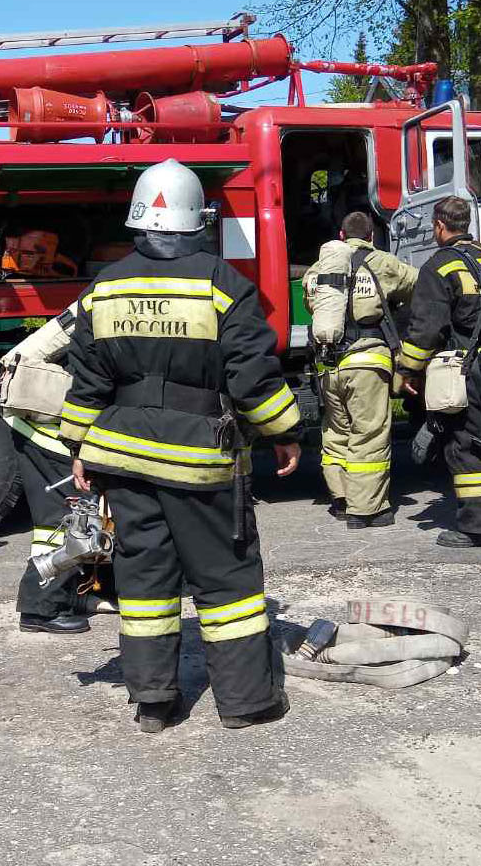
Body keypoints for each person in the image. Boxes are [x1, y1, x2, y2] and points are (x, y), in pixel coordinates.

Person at [60, 159, 303, 734]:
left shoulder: (105, 286)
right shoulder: (224, 285)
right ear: (200, 221)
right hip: (199, 460)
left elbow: (86, 377)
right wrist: (283, 431)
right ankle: (247, 702)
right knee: (227, 582)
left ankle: (153, 702)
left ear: (139, 221)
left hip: (120, 455)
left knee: (143, 582)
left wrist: (78, 446)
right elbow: (252, 375)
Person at [394, 196, 481, 548]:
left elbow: (426, 328)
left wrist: (407, 369)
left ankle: (480, 528)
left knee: (467, 445)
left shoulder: (441, 266)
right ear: (467, 223)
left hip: (468, 370)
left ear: (439, 226)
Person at [0, 303, 116, 634]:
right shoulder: (114, 307)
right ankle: (40, 607)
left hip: (44, 407)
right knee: (66, 518)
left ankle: (93, 588)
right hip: (47, 421)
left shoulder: (105, 295)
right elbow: (91, 384)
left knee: (93, 511)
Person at [302, 211, 417, 529]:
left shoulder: (321, 267)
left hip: (328, 364)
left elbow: (309, 297)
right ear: (371, 236)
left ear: (341, 236)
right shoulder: (383, 262)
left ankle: (340, 499)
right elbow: (419, 285)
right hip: (366, 362)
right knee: (369, 435)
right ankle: (366, 510)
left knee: (337, 432)